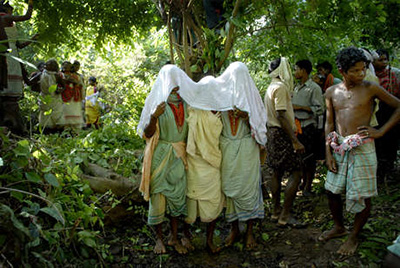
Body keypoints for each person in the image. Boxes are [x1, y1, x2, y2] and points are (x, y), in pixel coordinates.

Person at [320, 47, 400, 255]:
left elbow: (398, 106)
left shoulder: (371, 88)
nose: (361, 74)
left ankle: (353, 236)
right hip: (339, 145)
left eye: (363, 69)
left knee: (362, 194)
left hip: (363, 145)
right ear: (342, 71)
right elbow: (329, 124)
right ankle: (339, 227)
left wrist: (380, 131)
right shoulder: (331, 92)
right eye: (355, 71)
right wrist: (328, 153)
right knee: (331, 190)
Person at [139, 74, 189, 254]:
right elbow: (147, 133)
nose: (175, 87)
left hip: (180, 156)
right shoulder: (158, 103)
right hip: (160, 156)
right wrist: (154, 117)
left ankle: (174, 238)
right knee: (158, 197)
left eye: (178, 82)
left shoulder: (187, 103)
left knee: (177, 198)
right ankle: (159, 239)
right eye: (172, 82)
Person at [264, 57, 305, 227]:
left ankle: (275, 211)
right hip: (281, 133)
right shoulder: (280, 88)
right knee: (296, 170)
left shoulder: (271, 86)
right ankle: (285, 214)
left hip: (273, 132)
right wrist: (294, 141)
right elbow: (281, 114)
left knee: (276, 171)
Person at [185, 107, 224, 253]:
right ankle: (186, 236)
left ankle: (209, 240)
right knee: (191, 199)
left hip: (213, 161)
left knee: (214, 200)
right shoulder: (194, 109)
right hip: (194, 160)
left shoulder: (222, 109)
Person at [0, 0, 34, 134]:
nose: (12, 13)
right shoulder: (4, 17)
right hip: (7, 53)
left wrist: (32, 39)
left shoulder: (9, 23)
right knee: (7, 84)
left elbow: (18, 44)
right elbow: (26, 17)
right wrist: (30, 5)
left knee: (8, 85)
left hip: (12, 53)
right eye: (12, 10)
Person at [292, 59, 324, 196]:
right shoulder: (296, 87)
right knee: (300, 157)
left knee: (309, 158)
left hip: (308, 126)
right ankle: (302, 182)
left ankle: (308, 186)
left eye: (296, 69)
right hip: (297, 127)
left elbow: (320, 109)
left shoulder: (314, 88)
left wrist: (300, 108)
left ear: (304, 70)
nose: (295, 72)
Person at [373, 49, 400, 181]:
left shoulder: (395, 74)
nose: (383, 63)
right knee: (378, 142)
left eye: (385, 59)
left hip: (393, 110)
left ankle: (389, 169)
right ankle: (379, 171)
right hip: (376, 111)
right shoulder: (370, 75)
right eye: (380, 60)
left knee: (391, 140)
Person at [38, 59, 64, 133]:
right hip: (45, 97)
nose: (49, 65)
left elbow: (63, 85)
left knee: (57, 114)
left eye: (51, 64)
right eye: (48, 64)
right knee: (45, 114)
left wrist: (60, 90)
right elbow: (30, 82)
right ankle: (46, 131)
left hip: (55, 98)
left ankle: (57, 131)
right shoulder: (42, 74)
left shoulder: (57, 75)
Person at [60, 61, 84, 132]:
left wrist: (82, 97)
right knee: (65, 114)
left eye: (68, 66)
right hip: (64, 97)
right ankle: (66, 130)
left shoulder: (76, 76)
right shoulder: (60, 74)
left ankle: (75, 130)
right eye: (65, 66)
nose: (66, 67)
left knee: (75, 114)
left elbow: (80, 86)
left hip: (75, 97)